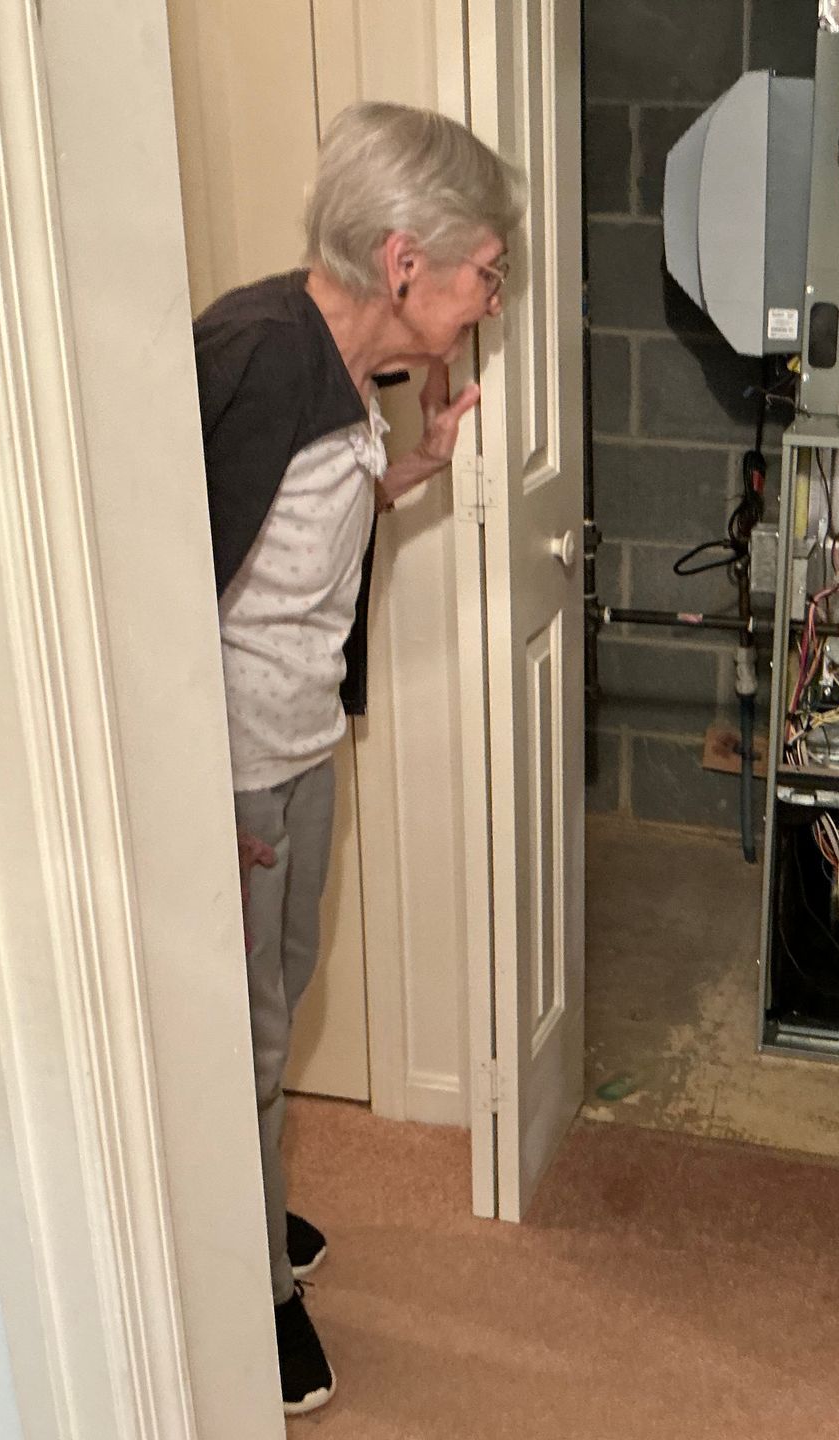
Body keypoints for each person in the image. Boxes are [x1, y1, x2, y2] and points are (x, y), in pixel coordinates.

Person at [192, 100, 522, 1415]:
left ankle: (252, 1213)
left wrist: (413, 473)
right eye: (485, 273)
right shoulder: (257, 353)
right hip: (232, 768)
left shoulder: (345, 372)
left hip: (298, 741)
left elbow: (289, 534)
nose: (488, 299)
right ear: (406, 262)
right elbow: (166, 587)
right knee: (249, 1034)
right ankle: (247, 1298)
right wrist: (194, 802)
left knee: (277, 1003)